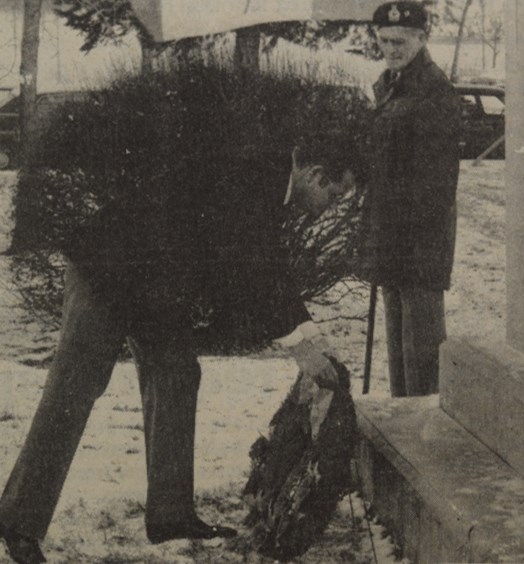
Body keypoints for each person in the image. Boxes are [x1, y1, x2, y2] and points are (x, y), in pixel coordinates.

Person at [0, 151, 347, 564]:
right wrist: (301, 350)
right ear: (316, 175)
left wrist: (312, 336)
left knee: (178, 373)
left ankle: (170, 514)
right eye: (336, 197)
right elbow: (255, 268)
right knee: (74, 388)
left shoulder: (267, 179)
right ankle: (18, 520)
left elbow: (268, 264)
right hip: (109, 270)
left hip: (155, 286)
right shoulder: (256, 178)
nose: (333, 208)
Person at [360, 1, 461, 397]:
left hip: (418, 244)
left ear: (422, 38)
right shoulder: (391, 84)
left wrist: (403, 230)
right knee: (399, 356)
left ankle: (426, 443)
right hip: (392, 239)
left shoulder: (434, 92)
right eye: (384, 41)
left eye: (400, 41)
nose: (391, 48)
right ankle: (402, 436)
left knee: (422, 358)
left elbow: (436, 184)